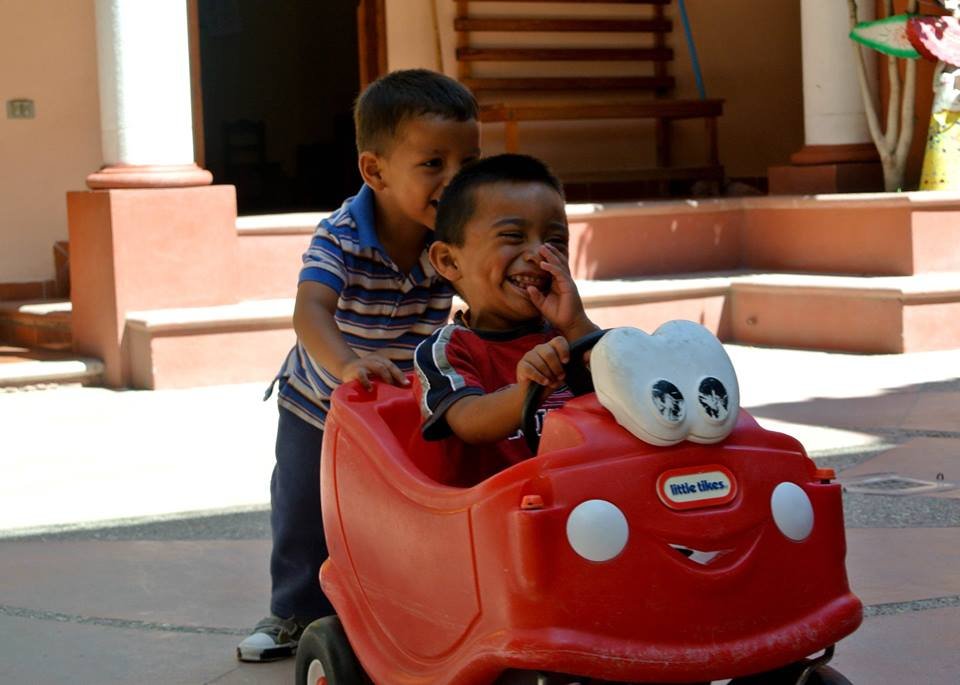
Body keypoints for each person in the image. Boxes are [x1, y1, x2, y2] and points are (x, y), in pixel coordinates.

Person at [237, 69, 480, 662]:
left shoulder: (454, 237)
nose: (455, 181)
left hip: (400, 404)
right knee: (304, 507)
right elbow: (310, 311)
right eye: (433, 164)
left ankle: (408, 607)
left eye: (467, 163)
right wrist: (346, 362)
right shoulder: (342, 235)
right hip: (320, 403)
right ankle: (295, 613)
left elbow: (487, 294)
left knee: (405, 505)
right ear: (375, 171)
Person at [413, 154, 598, 484]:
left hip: (582, 502)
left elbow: (627, 381)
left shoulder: (568, 332)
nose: (538, 254)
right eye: (513, 236)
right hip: (496, 519)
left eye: (555, 241)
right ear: (449, 260)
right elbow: (469, 420)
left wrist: (576, 323)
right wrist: (527, 391)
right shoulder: (448, 349)